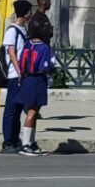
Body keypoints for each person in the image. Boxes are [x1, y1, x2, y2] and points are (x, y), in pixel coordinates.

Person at [15, 8, 56, 155]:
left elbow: (21, 61)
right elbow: (44, 66)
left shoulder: (27, 44)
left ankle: (31, 142)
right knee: (32, 112)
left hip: (27, 79)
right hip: (37, 80)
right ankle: (26, 144)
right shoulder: (44, 48)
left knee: (33, 111)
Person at [0, 0, 33, 153]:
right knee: (11, 109)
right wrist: (19, 71)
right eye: (29, 11)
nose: (30, 14)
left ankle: (15, 138)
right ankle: (7, 142)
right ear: (24, 13)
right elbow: (11, 53)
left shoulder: (24, 30)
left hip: (24, 75)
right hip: (15, 75)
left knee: (18, 109)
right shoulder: (12, 31)